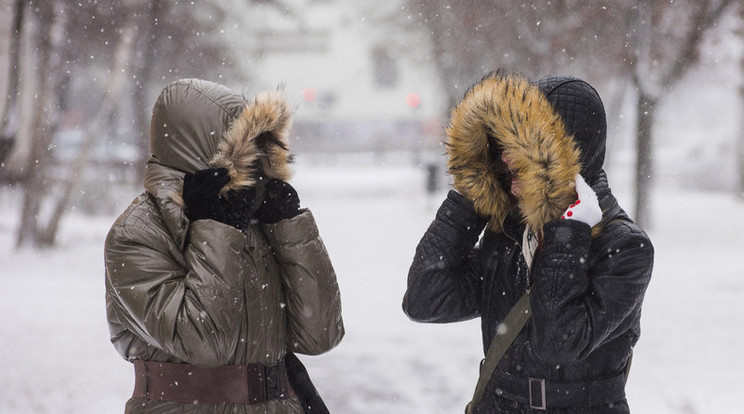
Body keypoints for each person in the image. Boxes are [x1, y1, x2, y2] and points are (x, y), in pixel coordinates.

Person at [403, 72, 653, 414]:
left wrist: (566, 236)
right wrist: (470, 201)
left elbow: (557, 344)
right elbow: (425, 301)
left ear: (562, 154)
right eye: (501, 144)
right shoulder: (508, 235)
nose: (504, 158)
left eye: (519, 144)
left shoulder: (623, 248)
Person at [104, 78, 344, 414]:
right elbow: (204, 343)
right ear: (207, 151)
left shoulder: (254, 220)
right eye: (247, 148)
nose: (258, 162)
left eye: (262, 149)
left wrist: (290, 228)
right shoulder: (138, 234)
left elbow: (321, 334)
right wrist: (216, 228)